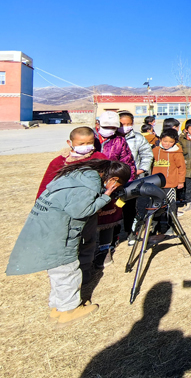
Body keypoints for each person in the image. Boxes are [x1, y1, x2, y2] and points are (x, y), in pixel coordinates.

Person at [6, 159, 131, 327]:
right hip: (59, 232)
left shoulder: (78, 176)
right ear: (113, 180)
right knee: (68, 270)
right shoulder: (90, 185)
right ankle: (69, 310)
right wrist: (105, 196)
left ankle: (58, 307)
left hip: (45, 227)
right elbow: (81, 211)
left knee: (57, 270)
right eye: (116, 185)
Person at [36, 126, 108, 284]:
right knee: (67, 241)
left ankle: (85, 268)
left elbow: (108, 180)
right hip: (64, 212)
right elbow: (46, 185)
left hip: (89, 210)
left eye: (89, 143)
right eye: (81, 143)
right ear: (70, 143)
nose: (86, 147)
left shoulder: (100, 158)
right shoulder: (60, 162)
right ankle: (65, 269)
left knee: (88, 240)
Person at [94, 111, 136, 268]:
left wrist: (125, 183)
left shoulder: (119, 141)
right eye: (107, 127)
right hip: (91, 184)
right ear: (98, 125)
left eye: (113, 128)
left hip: (112, 185)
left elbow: (128, 163)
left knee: (109, 216)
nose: (110, 131)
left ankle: (106, 248)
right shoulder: (90, 139)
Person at [119, 112, 154, 246]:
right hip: (114, 180)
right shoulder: (112, 139)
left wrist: (140, 170)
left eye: (128, 124)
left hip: (133, 178)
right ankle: (114, 235)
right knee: (115, 208)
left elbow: (147, 154)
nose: (125, 127)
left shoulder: (138, 138)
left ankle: (131, 232)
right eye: (122, 124)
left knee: (130, 207)